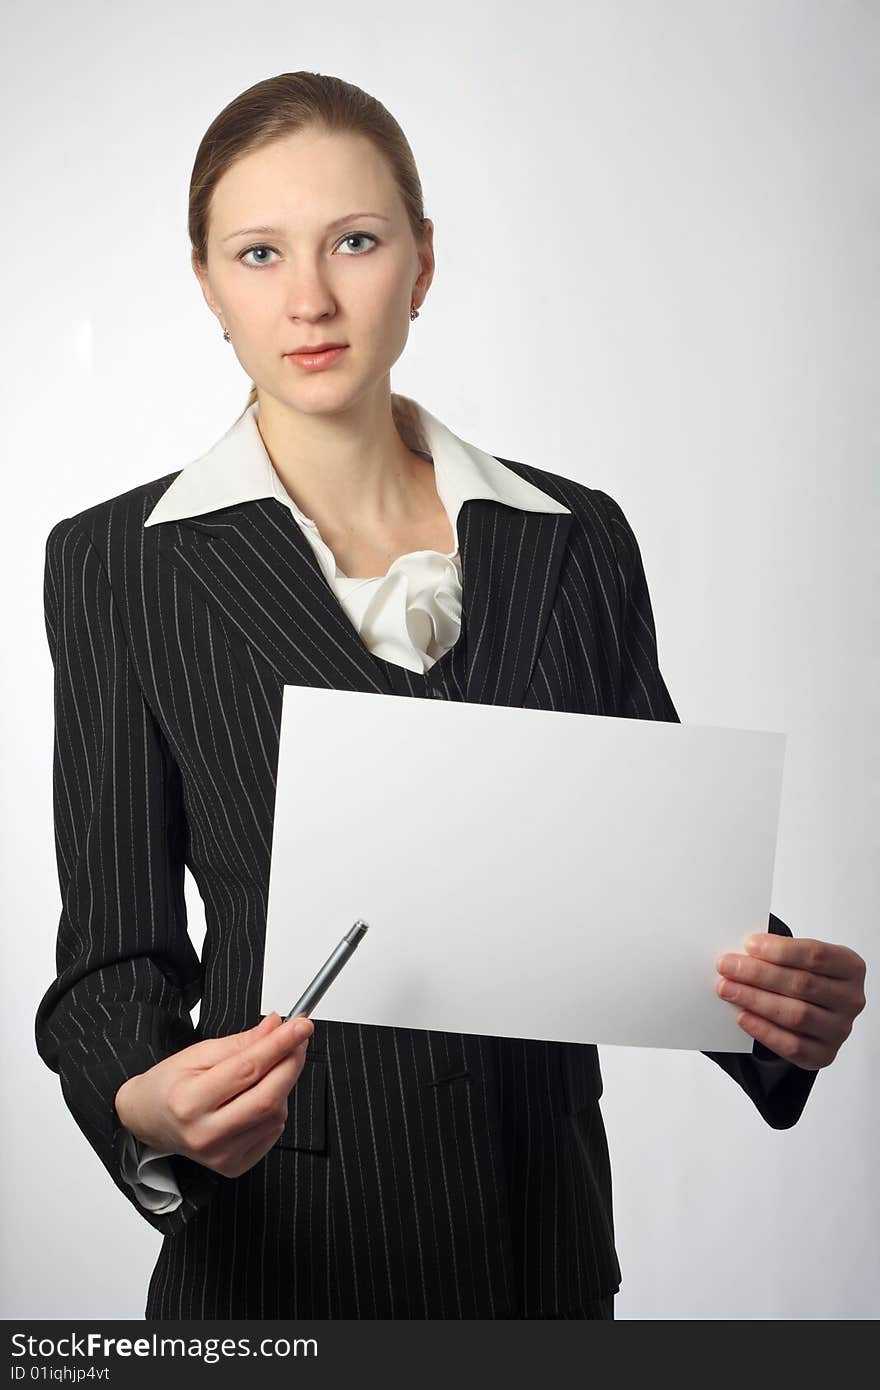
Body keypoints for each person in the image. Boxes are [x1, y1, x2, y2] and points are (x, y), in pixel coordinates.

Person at [35, 71, 866, 1322]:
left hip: (546, 1257)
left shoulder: (573, 535)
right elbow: (113, 960)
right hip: (280, 1268)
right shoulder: (118, 561)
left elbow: (650, 879)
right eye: (258, 253)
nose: (308, 298)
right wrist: (145, 1106)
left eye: (354, 243)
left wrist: (777, 1000)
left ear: (421, 263)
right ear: (206, 282)